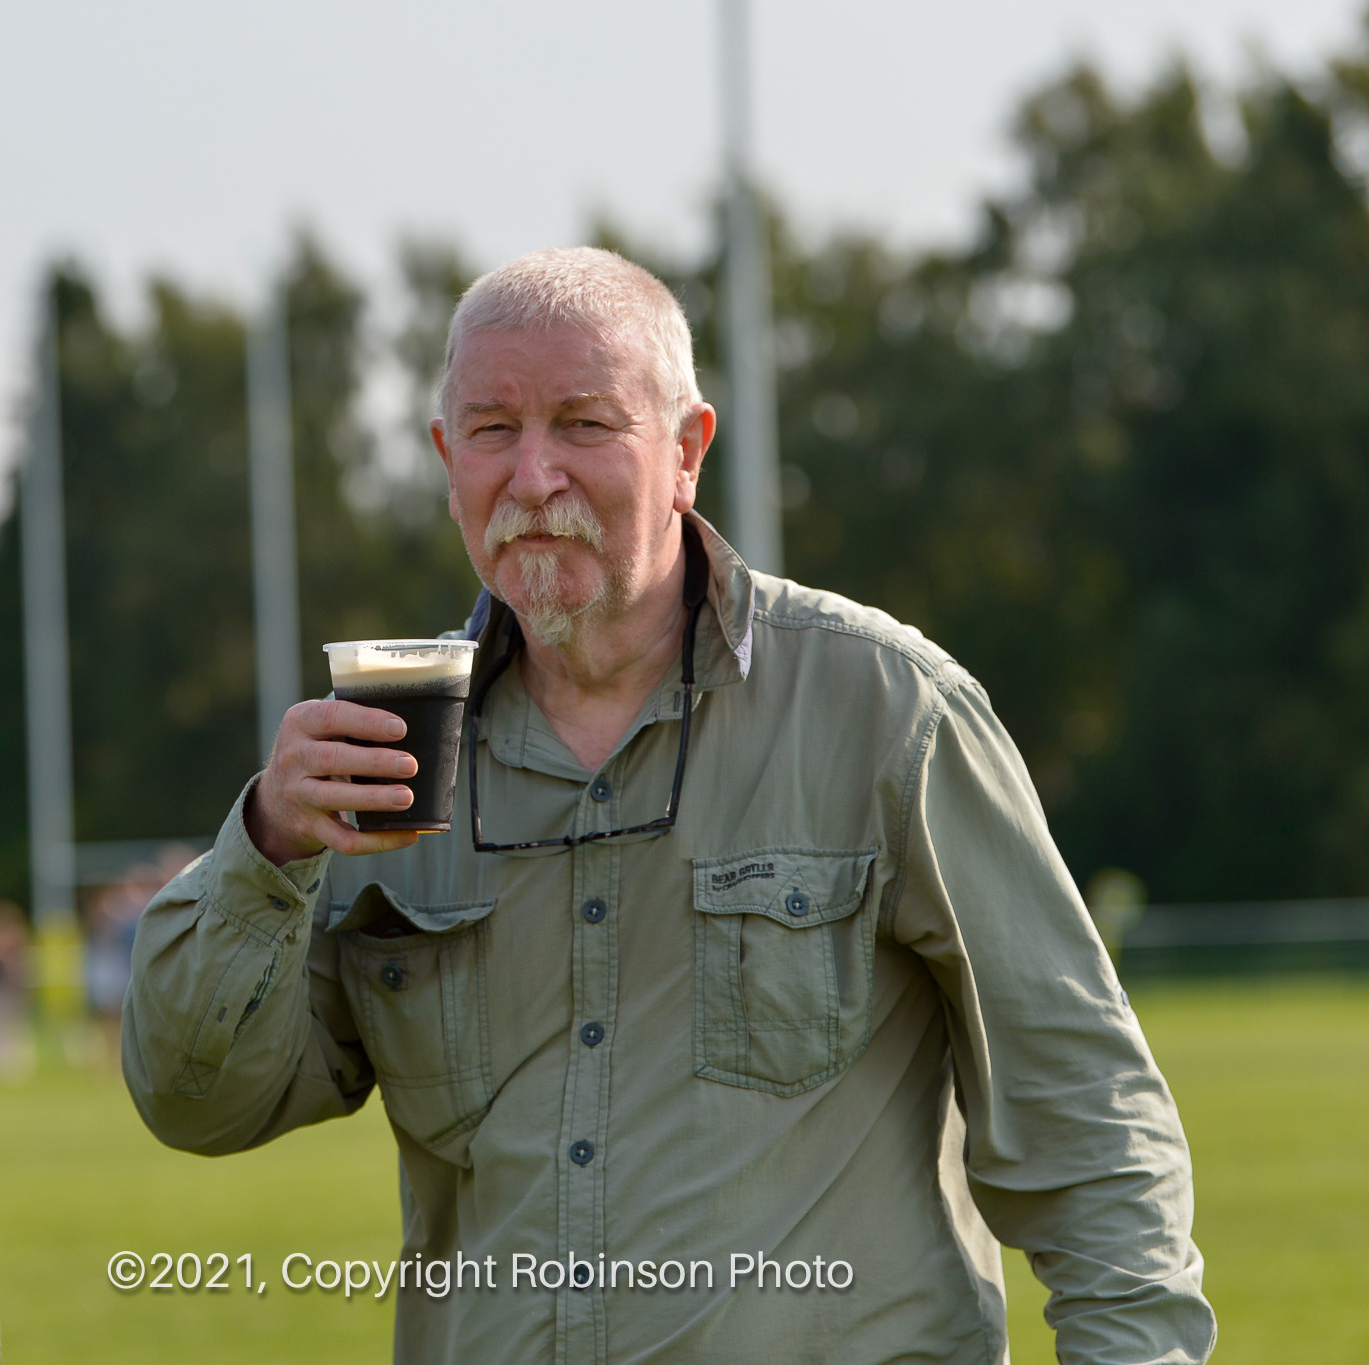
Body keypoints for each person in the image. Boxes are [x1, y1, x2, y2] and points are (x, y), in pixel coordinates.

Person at [124, 247, 1214, 1364]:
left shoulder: (884, 707)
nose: (534, 474)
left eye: (585, 424)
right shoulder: (379, 751)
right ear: (448, 459)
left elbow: (1090, 1130)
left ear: (687, 449)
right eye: (493, 429)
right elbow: (195, 1103)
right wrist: (264, 848)